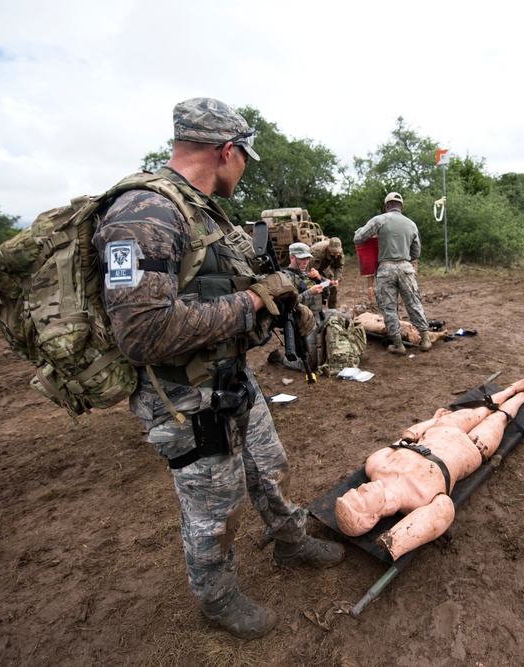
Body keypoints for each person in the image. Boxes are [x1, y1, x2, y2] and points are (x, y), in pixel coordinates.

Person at [92, 97, 344, 640]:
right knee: (213, 507)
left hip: (232, 379)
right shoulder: (146, 214)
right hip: (183, 398)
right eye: (244, 158)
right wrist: (254, 302)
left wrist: (276, 301)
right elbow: (141, 334)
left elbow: (217, 288)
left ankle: (289, 538)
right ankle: (218, 598)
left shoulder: (201, 211)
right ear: (226, 150)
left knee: (269, 466)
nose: (244, 168)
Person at [335, 378, 524, 559]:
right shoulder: (417, 502)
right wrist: (396, 540)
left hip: (441, 431)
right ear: (373, 517)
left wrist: (431, 422)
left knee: (481, 409)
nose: (361, 488)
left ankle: (512, 389)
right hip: (470, 449)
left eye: (355, 490)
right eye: (361, 498)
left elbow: (404, 440)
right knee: (499, 418)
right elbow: (443, 515)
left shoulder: (375, 466)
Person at [353, 192, 432, 354]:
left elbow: (358, 238)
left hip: (386, 269)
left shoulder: (380, 220)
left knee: (388, 308)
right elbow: (416, 253)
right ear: (401, 207)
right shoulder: (411, 224)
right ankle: (425, 339)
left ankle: (397, 345)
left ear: (387, 206)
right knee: (414, 303)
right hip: (406, 267)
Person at [268, 242, 328, 372]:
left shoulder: (308, 275)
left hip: (319, 316)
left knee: (343, 319)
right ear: (292, 258)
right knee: (310, 365)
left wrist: (320, 280)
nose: (305, 262)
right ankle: (278, 358)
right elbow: (288, 305)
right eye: (301, 259)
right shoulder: (284, 278)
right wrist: (309, 292)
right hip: (303, 322)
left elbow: (326, 296)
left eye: (307, 258)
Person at [310, 237, 344, 309]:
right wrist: (324, 280)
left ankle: (332, 309)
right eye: (334, 252)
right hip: (313, 268)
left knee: (332, 286)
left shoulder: (338, 251)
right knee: (317, 285)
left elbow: (339, 266)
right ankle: (316, 309)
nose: (336, 254)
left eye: (337, 252)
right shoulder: (318, 252)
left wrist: (337, 279)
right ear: (329, 247)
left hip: (325, 266)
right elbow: (311, 271)